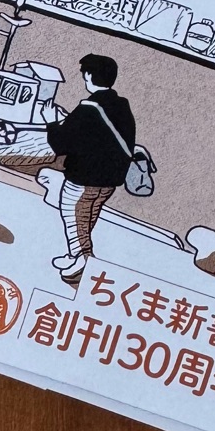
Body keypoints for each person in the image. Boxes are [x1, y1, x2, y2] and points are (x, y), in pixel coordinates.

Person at [45, 55, 136, 284]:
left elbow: (61, 144)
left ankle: (83, 262)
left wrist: (51, 122)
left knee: (73, 215)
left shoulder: (88, 108)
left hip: (84, 177)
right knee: (87, 217)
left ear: (88, 75)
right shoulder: (121, 105)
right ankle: (73, 255)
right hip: (110, 179)